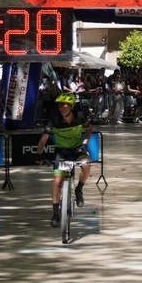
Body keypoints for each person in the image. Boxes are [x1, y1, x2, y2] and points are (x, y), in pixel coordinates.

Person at [35, 93, 93, 227]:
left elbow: (89, 129)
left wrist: (84, 143)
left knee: (86, 166)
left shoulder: (80, 116)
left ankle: (79, 190)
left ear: (72, 106)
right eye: (60, 105)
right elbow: (43, 139)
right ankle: (55, 214)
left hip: (77, 149)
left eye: (65, 105)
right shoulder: (54, 119)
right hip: (61, 151)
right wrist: (38, 154)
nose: (62, 108)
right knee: (57, 182)